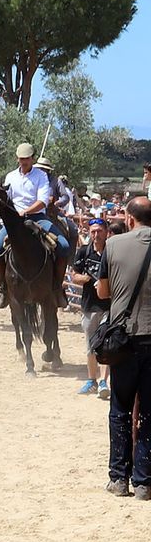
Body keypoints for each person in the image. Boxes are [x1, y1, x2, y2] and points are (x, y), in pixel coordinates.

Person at [95, 196, 151, 497]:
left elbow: (103, 292)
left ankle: (119, 478)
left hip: (124, 338)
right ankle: (144, 482)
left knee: (120, 409)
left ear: (129, 219)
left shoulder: (114, 244)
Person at [70, 218, 113, 398]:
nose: (96, 235)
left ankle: (103, 381)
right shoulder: (83, 251)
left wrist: (105, 284)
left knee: (107, 345)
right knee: (90, 345)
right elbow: (74, 275)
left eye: (99, 231)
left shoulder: (112, 251)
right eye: (93, 231)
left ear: (106, 232)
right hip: (89, 305)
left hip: (109, 306)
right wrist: (86, 279)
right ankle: (91, 380)